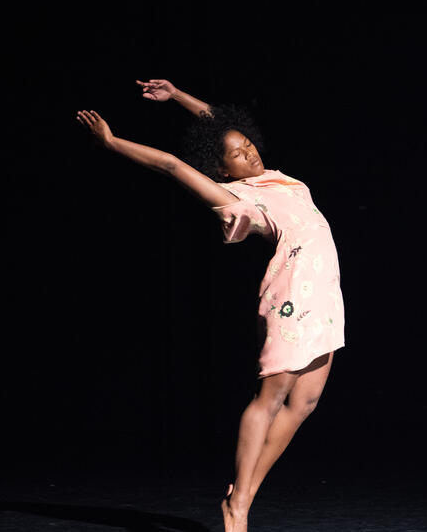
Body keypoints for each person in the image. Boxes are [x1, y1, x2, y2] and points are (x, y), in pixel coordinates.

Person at [76, 79, 345, 532]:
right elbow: (170, 165)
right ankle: (237, 505)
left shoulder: (277, 179)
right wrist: (111, 141)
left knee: (306, 401)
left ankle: (241, 498)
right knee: (273, 397)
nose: (248, 153)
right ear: (221, 171)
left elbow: (222, 126)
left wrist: (178, 96)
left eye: (248, 145)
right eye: (237, 155)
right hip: (292, 302)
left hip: (326, 297)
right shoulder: (239, 198)